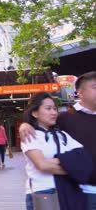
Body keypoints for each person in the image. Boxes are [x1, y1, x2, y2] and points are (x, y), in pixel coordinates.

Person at [20, 72, 96, 210]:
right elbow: (42, 164)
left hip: (65, 190)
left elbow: (84, 159)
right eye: (48, 109)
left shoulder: (62, 136)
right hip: (50, 192)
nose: (53, 112)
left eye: (55, 109)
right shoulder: (35, 133)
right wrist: (75, 167)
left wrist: (68, 164)